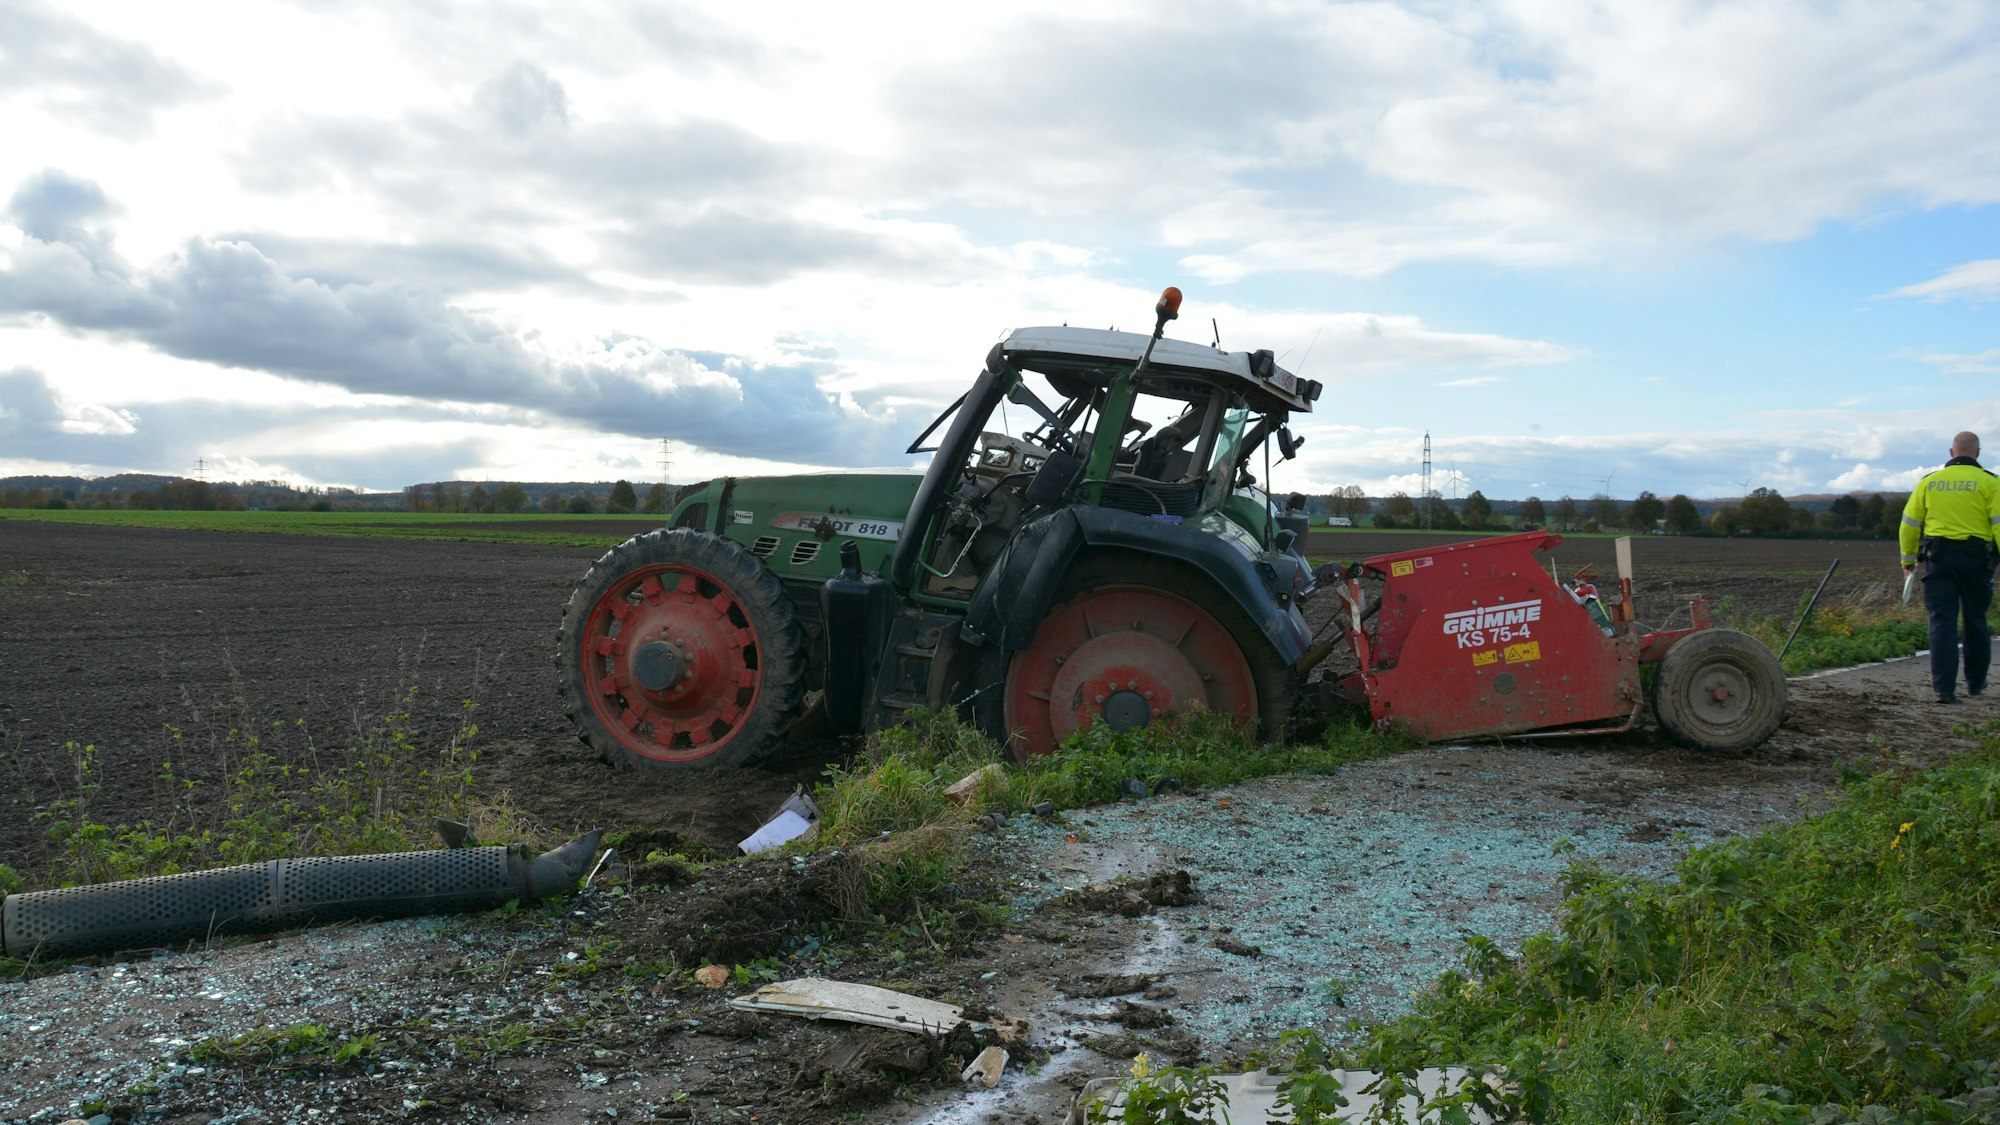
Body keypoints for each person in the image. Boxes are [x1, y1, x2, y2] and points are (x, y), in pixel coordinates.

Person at [1899, 431, 2000, 703]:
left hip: (1939, 560)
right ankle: (1976, 683)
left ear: (1951, 452)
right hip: (1977, 561)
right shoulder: (1991, 483)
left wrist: (1908, 562)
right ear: (1977, 453)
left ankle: (1944, 690)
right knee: (1976, 621)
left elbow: (1908, 525)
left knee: (1942, 623)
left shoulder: (1929, 483)